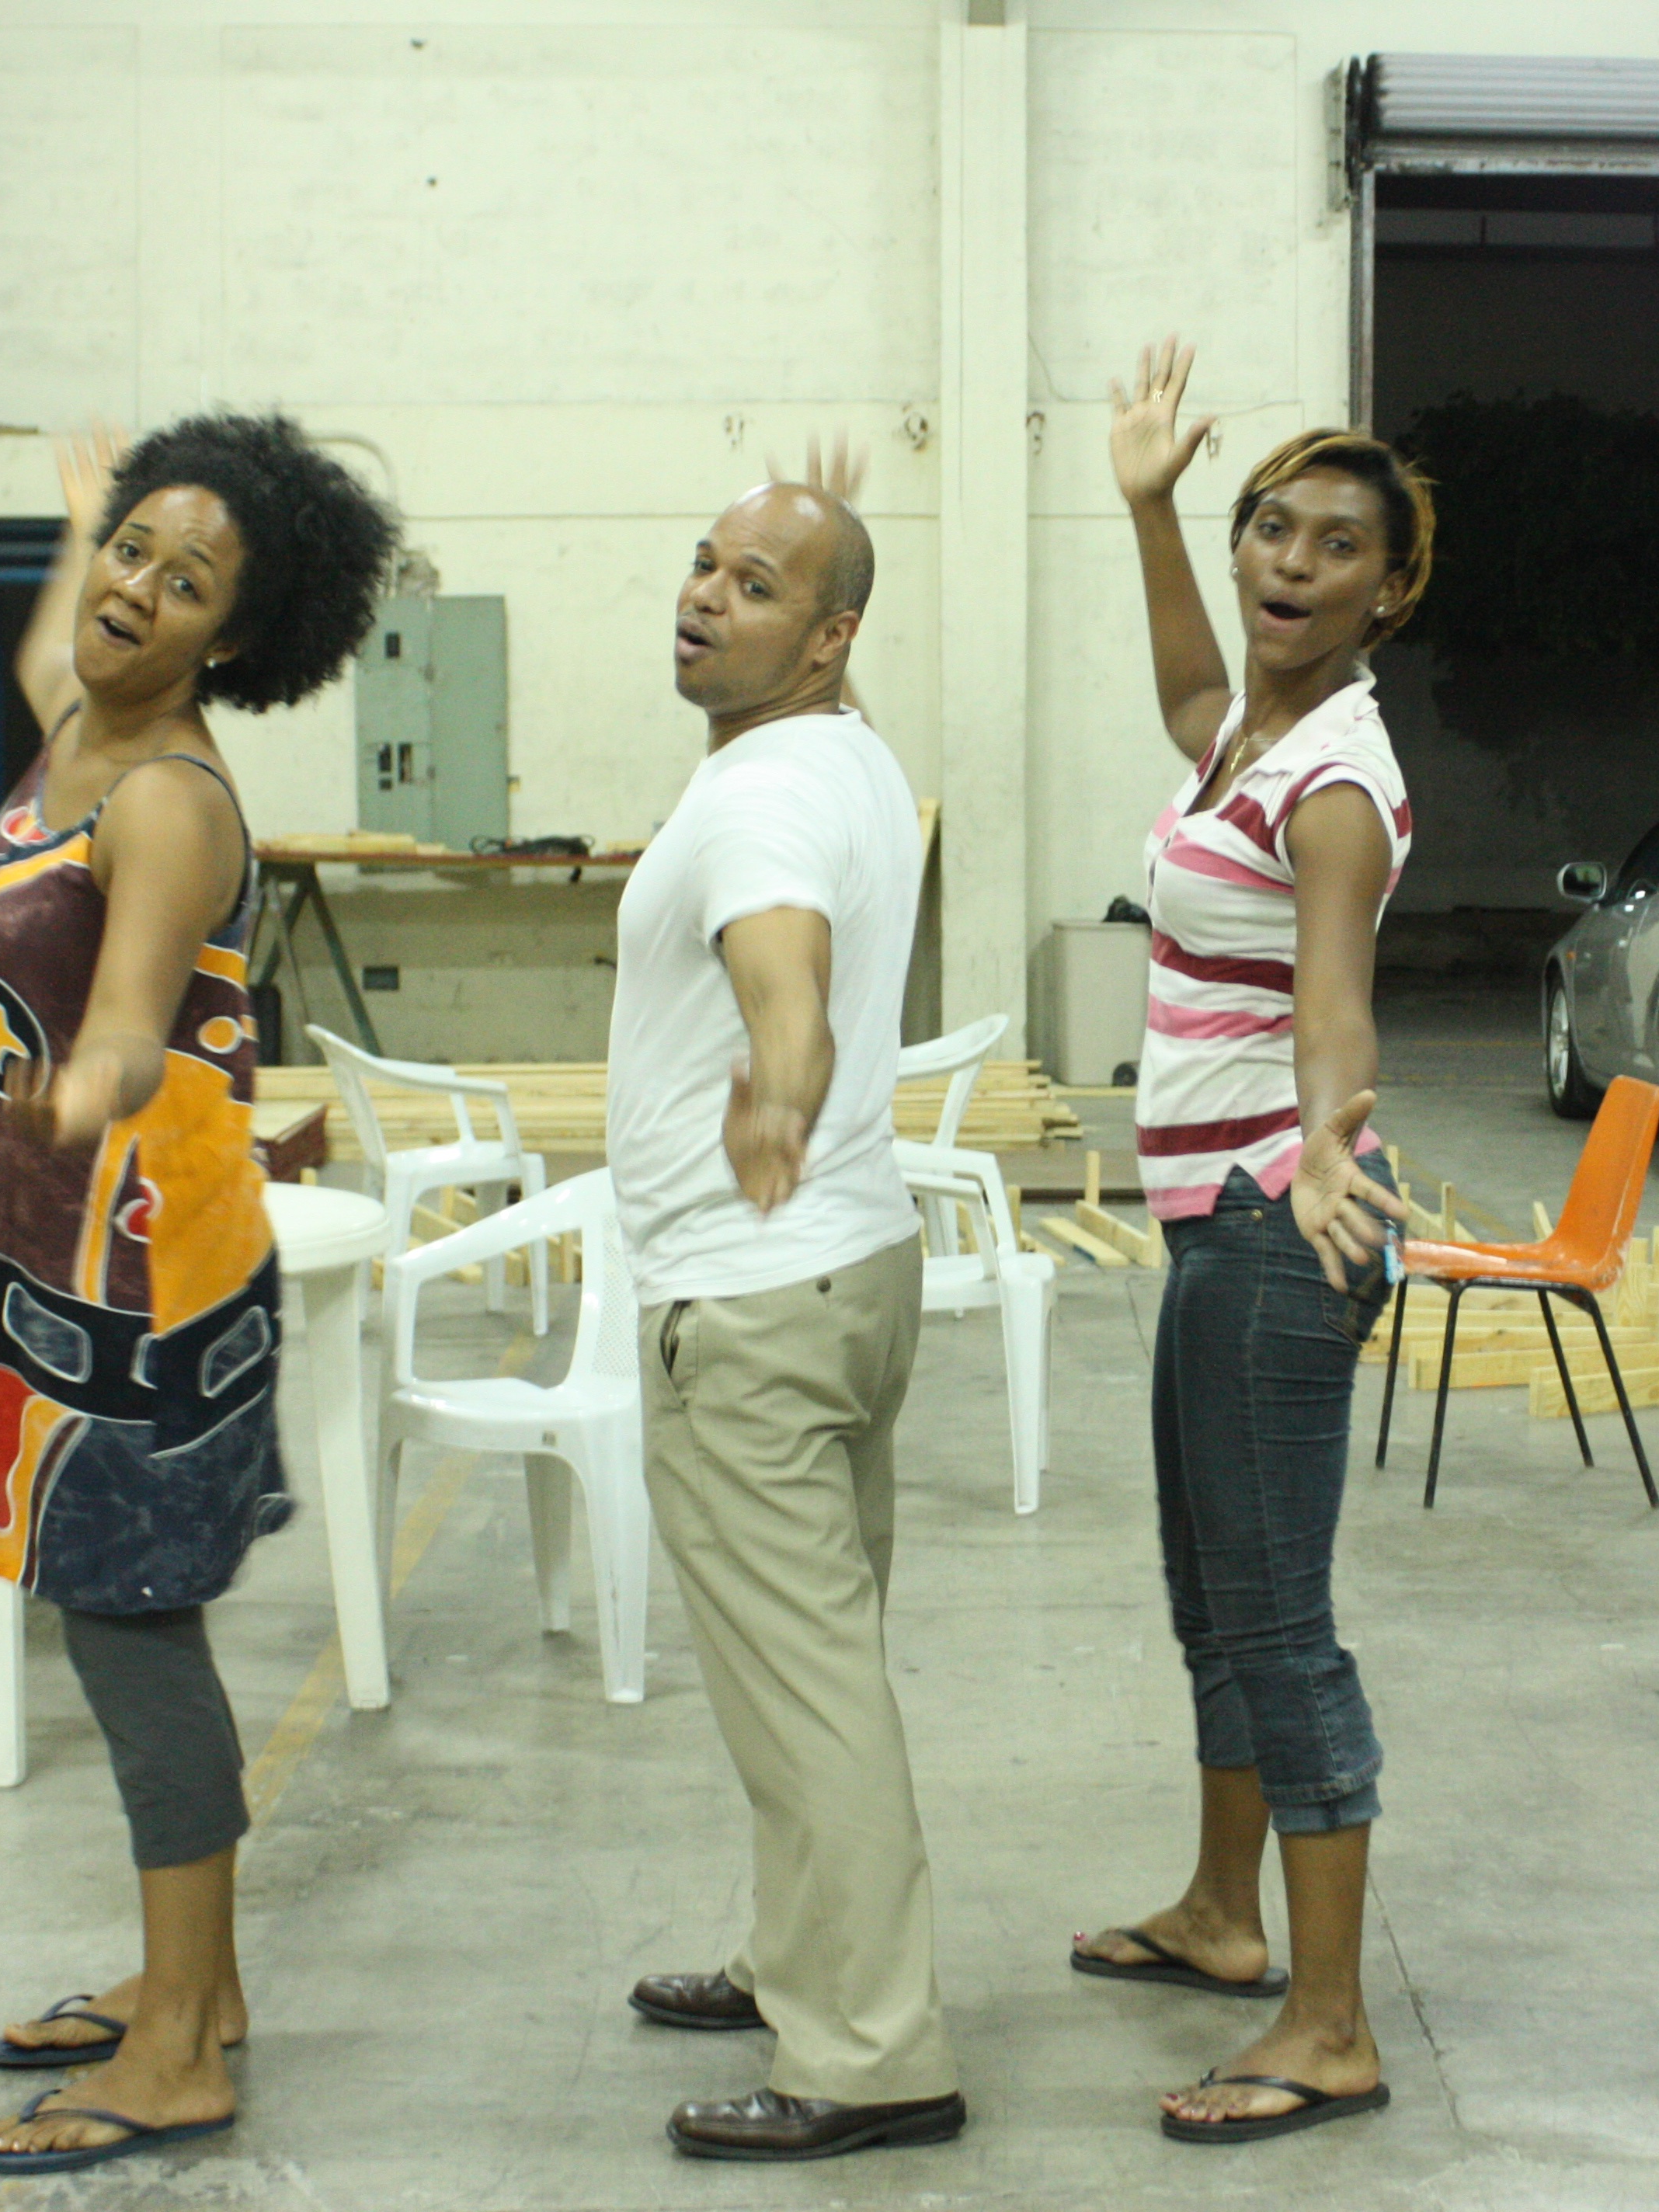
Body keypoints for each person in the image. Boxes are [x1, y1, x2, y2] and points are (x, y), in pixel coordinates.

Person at [0, 416, 395, 2175]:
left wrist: (90, 1081)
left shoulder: (164, 797)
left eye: (184, 578)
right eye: (134, 548)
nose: (135, 587)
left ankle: (178, 2054)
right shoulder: (81, 724)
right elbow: (43, 656)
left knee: (135, 1638)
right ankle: (189, 1986)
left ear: (235, 634)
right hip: (48, 1259)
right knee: (113, 1625)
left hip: (137, 1282)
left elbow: (133, 1018)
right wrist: (91, 524)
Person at [1069, 337, 1426, 2146]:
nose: (1293, 560)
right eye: (1273, 527)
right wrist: (1147, 506)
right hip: (1212, 1218)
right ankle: (1224, 1913)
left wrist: (1331, 1143)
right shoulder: (1246, 738)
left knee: (1281, 1624)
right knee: (1210, 1595)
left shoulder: (1337, 782)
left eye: (1338, 544)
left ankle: (1332, 2018)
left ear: (1389, 591)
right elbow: (1190, 684)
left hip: (1281, 1220)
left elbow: (1335, 998)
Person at [607, 466, 961, 2162]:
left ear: (828, 639)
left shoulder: (758, 796)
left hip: (753, 1296)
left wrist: (782, 1078)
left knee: (809, 1689)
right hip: (848, 1274)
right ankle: (793, 1957)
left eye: (753, 585)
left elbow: (783, 970)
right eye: (704, 563)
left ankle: (872, 2054)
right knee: (804, 1665)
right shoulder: (850, 755)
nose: (703, 595)